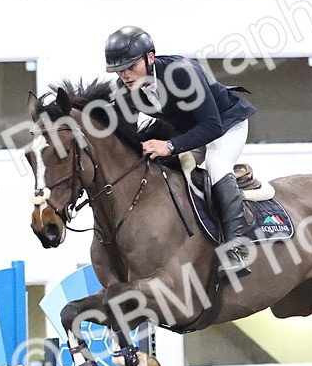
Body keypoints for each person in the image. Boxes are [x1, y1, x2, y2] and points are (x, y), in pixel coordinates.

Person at [104, 25, 257, 274]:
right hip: (189, 131)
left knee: (217, 165)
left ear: (150, 57)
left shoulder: (182, 73)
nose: (126, 76)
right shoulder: (125, 89)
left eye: (131, 67)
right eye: (120, 71)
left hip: (226, 124)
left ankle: (237, 249)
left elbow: (212, 126)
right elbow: (128, 139)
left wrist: (170, 145)